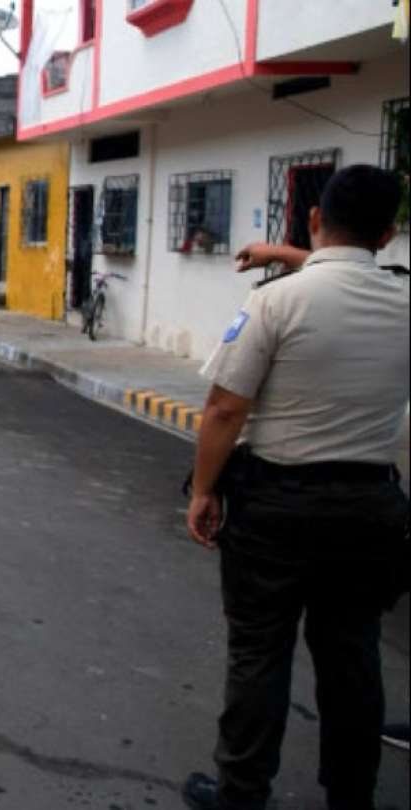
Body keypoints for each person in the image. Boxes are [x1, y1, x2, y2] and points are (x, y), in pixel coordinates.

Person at [182, 164, 410, 810]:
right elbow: (351, 273)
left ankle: (242, 792)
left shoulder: (276, 301)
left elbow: (225, 409)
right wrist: (293, 255)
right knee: (353, 656)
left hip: (277, 507)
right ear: (389, 234)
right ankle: (351, 795)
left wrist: (203, 491)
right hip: (370, 509)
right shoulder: (403, 296)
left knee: (259, 651)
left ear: (314, 220)